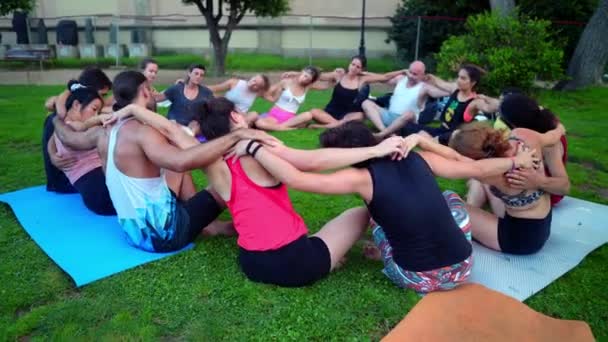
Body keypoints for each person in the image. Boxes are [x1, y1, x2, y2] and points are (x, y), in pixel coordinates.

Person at [111, 96, 415, 286]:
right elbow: (313, 161)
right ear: (234, 118)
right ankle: (374, 253)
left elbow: (172, 131)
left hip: (252, 263)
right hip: (294, 262)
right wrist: (374, 148)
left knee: (317, 239)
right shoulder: (255, 148)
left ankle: (329, 257)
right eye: (240, 111)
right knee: (359, 212)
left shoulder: (210, 161)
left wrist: (135, 109)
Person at [232, 121, 539, 293]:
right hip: (463, 269)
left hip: (415, 277)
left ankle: (384, 253)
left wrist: (254, 147)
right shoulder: (421, 158)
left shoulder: (360, 177)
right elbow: (476, 169)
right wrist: (516, 161)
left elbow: (299, 179)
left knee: (376, 215)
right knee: (449, 198)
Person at [53, 71, 277, 252]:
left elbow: (69, 137)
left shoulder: (102, 132)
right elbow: (182, 162)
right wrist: (235, 137)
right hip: (165, 236)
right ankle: (253, 225)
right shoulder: (143, 132)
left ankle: (208, 225)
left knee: (171, 169)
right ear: (145, 91)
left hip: (133, 234)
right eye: (150, 90)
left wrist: (56, 119)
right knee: (227, 175)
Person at [448, 120, 566, 255]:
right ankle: (471, 217)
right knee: (477, 183)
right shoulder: (523, 135)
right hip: (540, 226)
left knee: (448, 200)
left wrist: (427, 142)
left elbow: (444, 165)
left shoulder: (488, 173)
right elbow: (553, 137)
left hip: (519, 241)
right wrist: (559, 129)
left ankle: (466, 223)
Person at [466, 93, 570, 218]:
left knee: (482, 178)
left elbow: (564, 186)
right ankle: (469, 213)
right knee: (482, 175)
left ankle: (468, 215)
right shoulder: (538, 117)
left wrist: (539, 181)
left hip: (540, 200)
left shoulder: (549, 144)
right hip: (527, 192)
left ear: (514, 125)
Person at [48, 82, 116, 215]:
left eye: (98, 111)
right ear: (76, 105)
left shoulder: (61, 128)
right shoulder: (71, 128)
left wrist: (51, 153)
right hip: (101, 193)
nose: (95, 115)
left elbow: (51, 142)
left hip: (98, 193)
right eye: (94, 109)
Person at [43, 67, 113, 194]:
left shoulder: (74, 111)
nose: (103, 100)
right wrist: (53, 156)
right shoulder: (59, 119)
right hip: (66, 182)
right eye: (102, 95)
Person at [305, 56, 405, 129]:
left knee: (360, 116)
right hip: (330, 114)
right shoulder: (339, 75)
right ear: (349, 64)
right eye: (353, 64)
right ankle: (335, 125)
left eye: (358, 67)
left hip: (347, 116)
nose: (354, 68)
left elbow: (385, 77)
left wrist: (402, 71)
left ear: (361, 69)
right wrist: (294, 74)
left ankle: (321, 126)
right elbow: (320, 76)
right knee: (314, 111)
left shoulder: (362, 80)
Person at [400, 65, 484, 145]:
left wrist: (490, 101)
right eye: (458, 77)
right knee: (407, 126)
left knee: (424, 134)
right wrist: (430, 77)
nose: (458, 80)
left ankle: (429, 140)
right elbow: (441, 83)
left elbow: (489, 107)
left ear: (473, 83)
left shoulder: (474, 102)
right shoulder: (455, 90)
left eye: (463, 78)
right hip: (441, 130)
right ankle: (428, 139)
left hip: (452, 136)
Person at [361, 60, 428, 137]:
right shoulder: (401, 79)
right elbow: (383, 78)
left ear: (422, 75)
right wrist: (366, 74)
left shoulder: (425, 87)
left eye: (415, 74)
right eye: (410, 72)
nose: (411, 76)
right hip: (390, 116)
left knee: (409, 114)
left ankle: (383, 134)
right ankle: (384, 131)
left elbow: (442, 90)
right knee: (366, 103)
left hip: (407, 122)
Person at [206, 74, 271, 125]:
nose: (252, 84)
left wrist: (281, 85)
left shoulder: (257, 94)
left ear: (259, 89)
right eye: (254, 80)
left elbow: (272, 97)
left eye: (256, 85)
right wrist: (198, 87)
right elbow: (215, 88)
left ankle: (240, 127)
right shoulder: (234, 83)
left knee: (254, 114)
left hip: (241, 117)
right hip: (225, 111)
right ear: (253, 77)